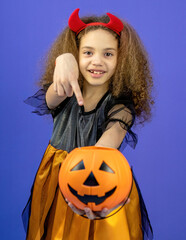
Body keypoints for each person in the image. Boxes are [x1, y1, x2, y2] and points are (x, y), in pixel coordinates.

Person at [22, 8, 154, 240]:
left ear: (122, 60)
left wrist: (97, 199)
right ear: (76, 53)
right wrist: (63, 60)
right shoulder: (65, 93)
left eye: (108, 54)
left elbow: (106, 148)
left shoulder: (120, 107)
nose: (97, 61)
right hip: (56, 180)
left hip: (99, 183)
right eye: (88, 52)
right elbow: (52, 96)